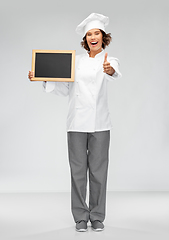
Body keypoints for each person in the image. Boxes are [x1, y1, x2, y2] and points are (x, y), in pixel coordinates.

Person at [28, 13, 122, 232]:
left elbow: (113, 71)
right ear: (85, 39)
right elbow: (65, 89)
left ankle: (97, 215)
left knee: (99, 172)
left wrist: (110, 69)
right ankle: (80, 216)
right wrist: (43, 77)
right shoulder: (75, 61)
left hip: (100, 123)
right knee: (77, 171)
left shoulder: (110, 59)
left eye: (96, 33)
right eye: (89, 34)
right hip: (76, 123)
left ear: (103, 36)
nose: (93, 37)